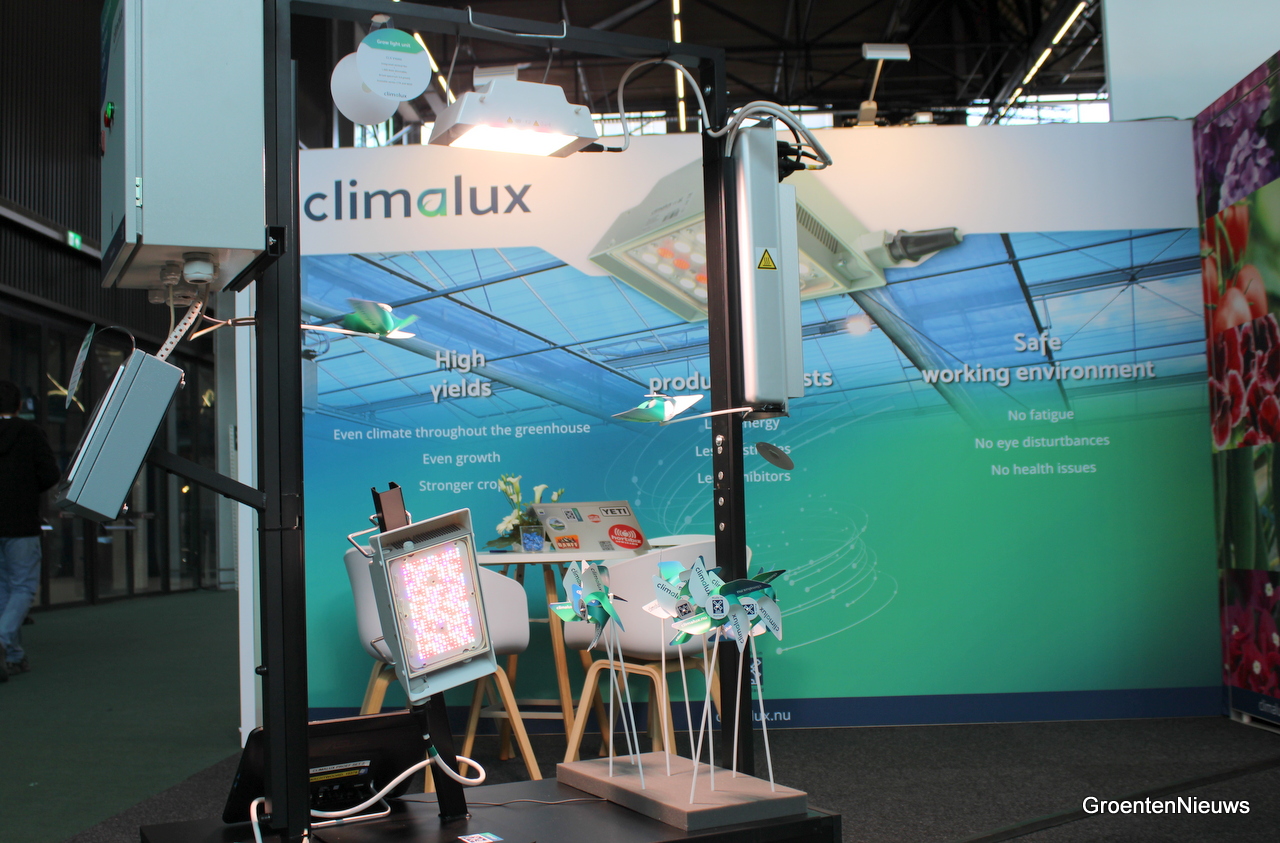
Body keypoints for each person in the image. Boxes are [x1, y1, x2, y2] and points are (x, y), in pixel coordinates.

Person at [0, 380, 60, 681]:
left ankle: (13, 655)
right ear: (19, 405)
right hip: (22, 522)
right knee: (22, 586)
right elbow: (50, 474)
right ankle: (3, 638)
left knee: (3, 589)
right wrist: (24, 489)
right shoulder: (31, 433)